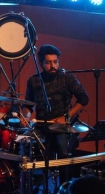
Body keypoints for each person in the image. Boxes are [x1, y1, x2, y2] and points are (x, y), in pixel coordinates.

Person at [24, 44, 89, 182]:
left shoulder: (67, 77)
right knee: (22, 144)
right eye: (48, 62)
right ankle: (28, 186)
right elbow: (29, 104)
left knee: (62, 151)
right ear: (41, 64)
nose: (53, 66)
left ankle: (64, 188)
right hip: (41, 126)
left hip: (62, 127)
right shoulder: (34, 80)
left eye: (56, 62)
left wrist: (66, 117)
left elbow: (84, 98)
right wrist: (26, 116)